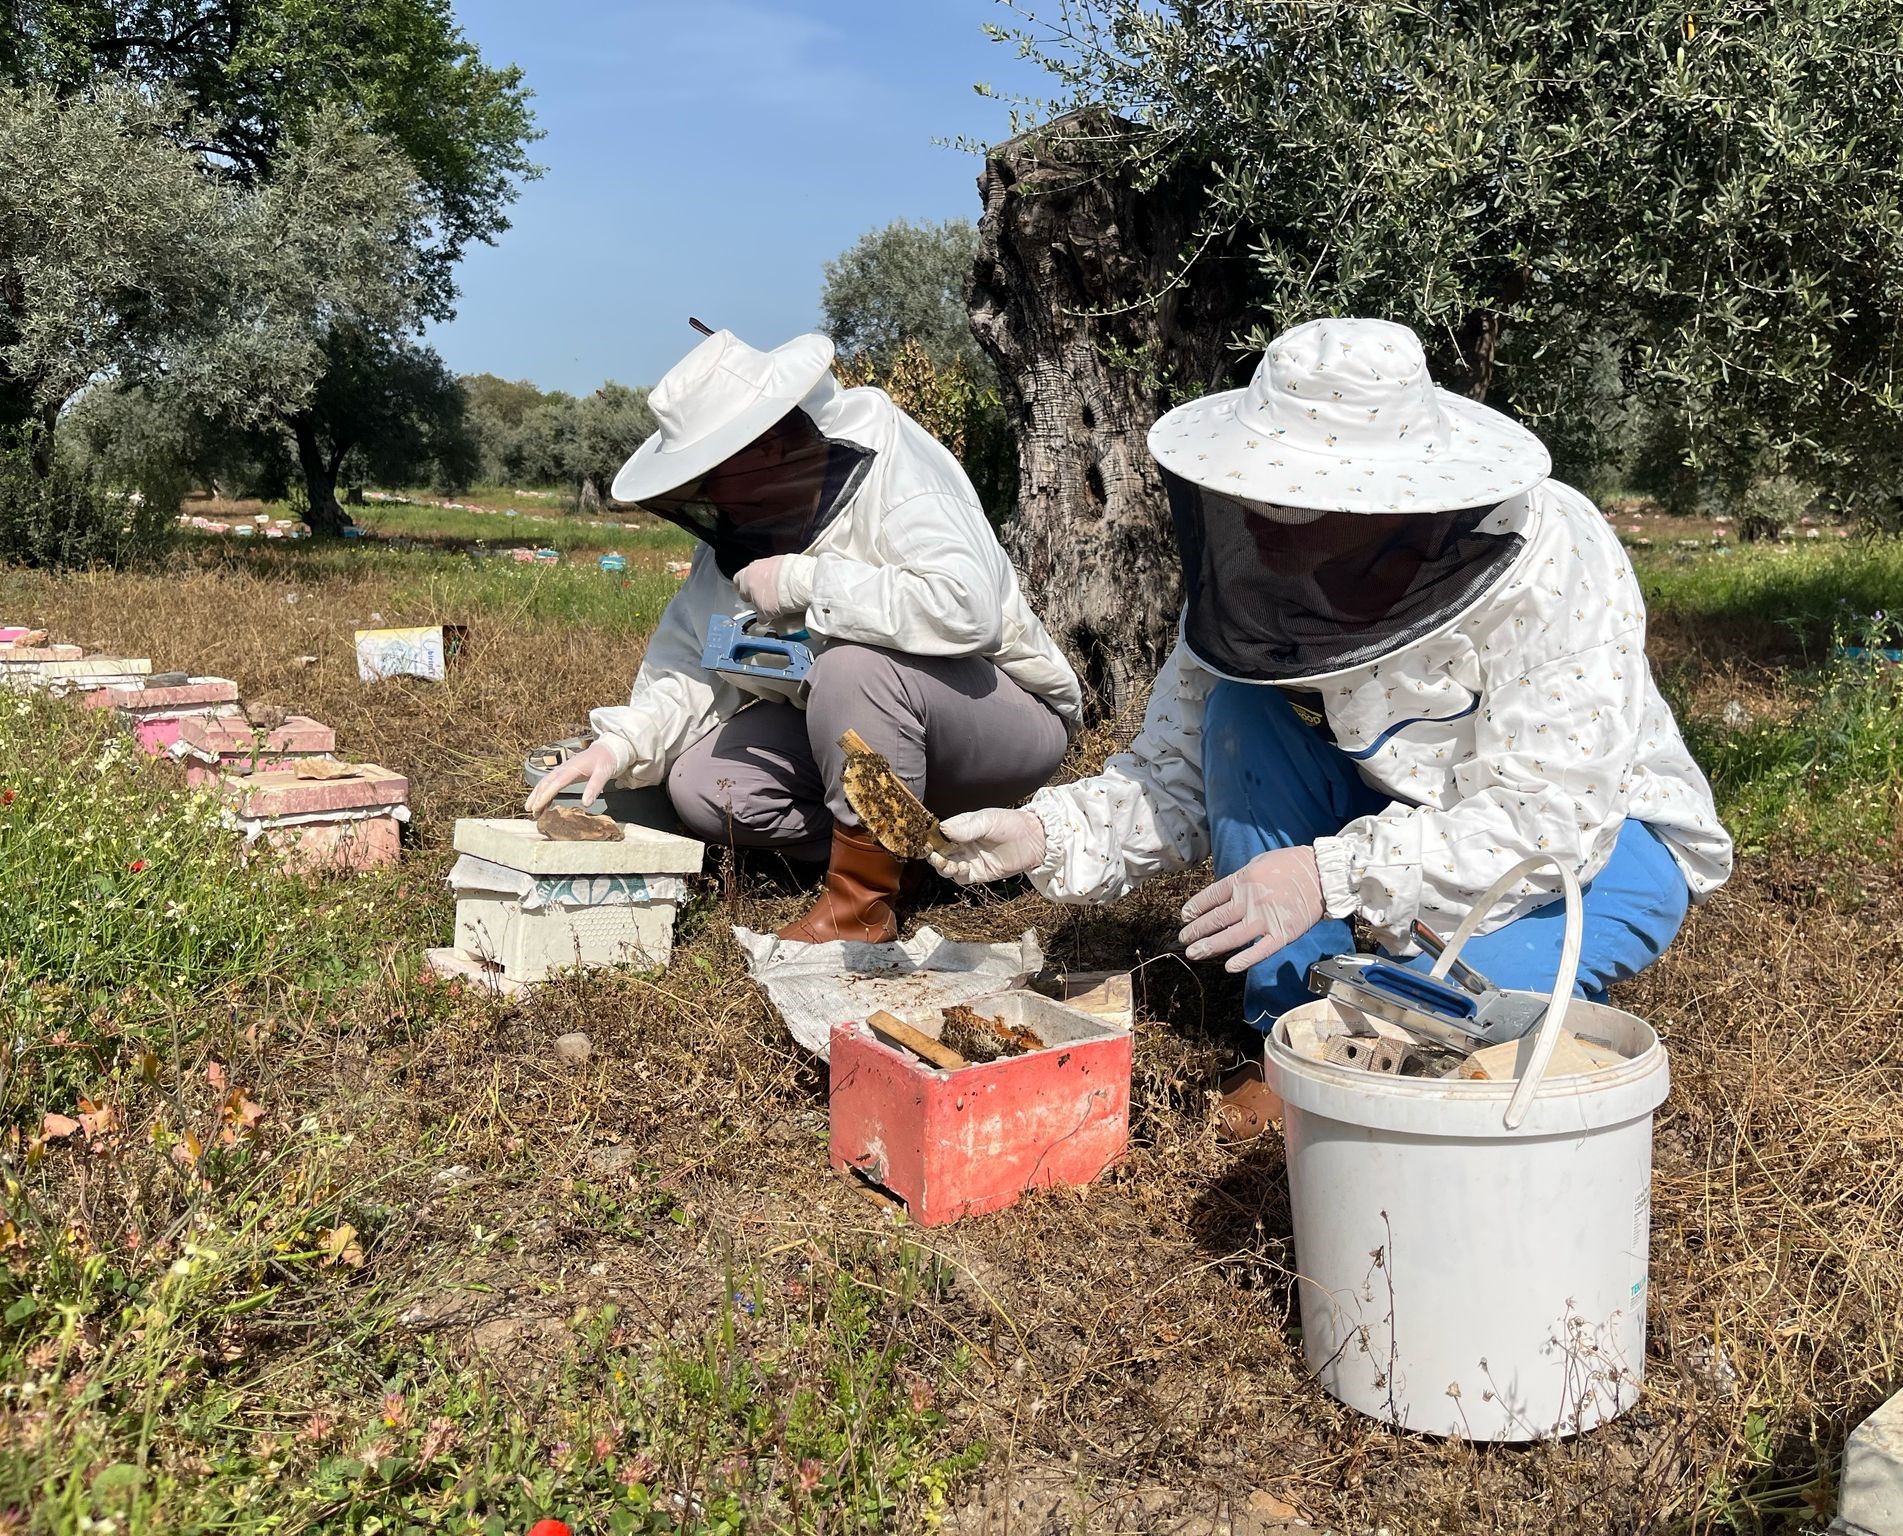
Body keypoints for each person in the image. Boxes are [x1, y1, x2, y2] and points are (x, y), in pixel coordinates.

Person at [929, 318, 1732, 1133]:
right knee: (1246, 704)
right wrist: (1042, 833)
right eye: (1263, 503)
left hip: (1601, 837)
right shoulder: (1245, 586)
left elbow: (1550, 820)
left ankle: (1371, 1015)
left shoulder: (1557, 556)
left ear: (1403, 502)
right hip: (1385, 805)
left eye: (1305, 511)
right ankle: (1281, 1033)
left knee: (1444, 1020)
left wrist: (1327, 877)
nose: (1272, 536)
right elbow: (1176, 769)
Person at [527, 329, 1082, 944]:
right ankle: (908, 860)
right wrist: (618, 746)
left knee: (851, 669)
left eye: (713, 471)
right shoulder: (739, 535)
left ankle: (861, 909)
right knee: (704, 787)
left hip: (1000, 720)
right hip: (859, 725)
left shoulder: (898, 469)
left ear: (763, 447)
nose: (707, 493)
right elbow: (692, 661)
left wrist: (804, 582)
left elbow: (964, 607)